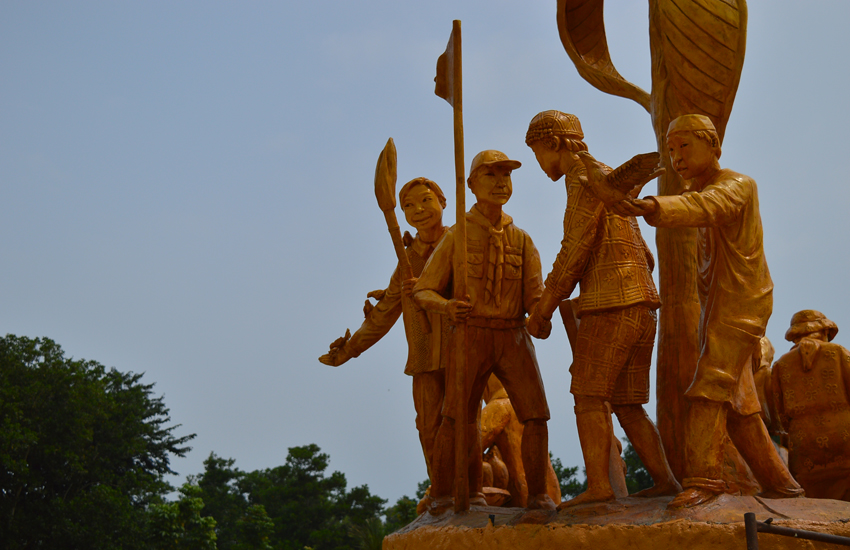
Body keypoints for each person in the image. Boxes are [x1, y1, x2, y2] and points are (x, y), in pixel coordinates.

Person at [617, 114, 804, 508]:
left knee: (709, 386)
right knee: (740, 405)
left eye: (685, 145)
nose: (677, 157)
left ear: (714, 146)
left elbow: (706, 206)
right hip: (720, 305)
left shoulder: (735, 186)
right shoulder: (703, 190)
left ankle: (704, 478)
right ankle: (782, 484)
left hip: (741, 304)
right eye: (671, 149)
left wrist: (651, 205)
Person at [524, 110, 680, 508]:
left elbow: (575, 249)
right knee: (628, 403)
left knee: (589, 395)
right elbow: (646, 255)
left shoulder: (584, 180)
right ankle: (664, 481)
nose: (539, 164)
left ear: (554, 143)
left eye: (538, 152)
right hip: (644, 304)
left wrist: (543, 308)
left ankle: (599, 487)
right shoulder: (611, 178)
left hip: (611, 304)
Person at [413, 150, 556, 513]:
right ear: (472, 184)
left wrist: (544, 314)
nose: (500, 183)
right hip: (471, 333)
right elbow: (423, 289)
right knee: (456, 416)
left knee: (535, 413)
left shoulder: (522, 239)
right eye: (490, 175)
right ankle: (453, 494)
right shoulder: (457, 237)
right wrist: (447, 306)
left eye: (505, 176)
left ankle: (540, 497)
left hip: (513, 334)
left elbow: (535, 296)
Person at [318, 177, 450, 510]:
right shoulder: (406, 261)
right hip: (423, 355)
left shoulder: (460, 242)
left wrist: (428, 288)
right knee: (427, 428)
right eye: (408, 205)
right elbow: (384, 313)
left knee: (466, 423)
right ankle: (442, 492)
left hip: (463, 349)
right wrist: (349, 350)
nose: (418, 210)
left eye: (425, 200)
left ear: (443, 202)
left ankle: (474, 489)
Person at [771, 310, 850, 501]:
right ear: (825, 331)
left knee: (813, 497)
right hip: (844, 434)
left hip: (802, 442)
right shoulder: (838, 352)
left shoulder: (780, 365)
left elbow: (778, 412)